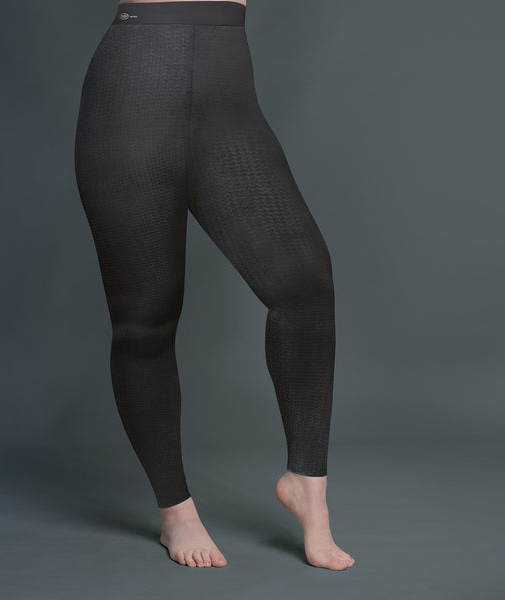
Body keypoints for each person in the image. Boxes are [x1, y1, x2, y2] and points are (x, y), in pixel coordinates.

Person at [74, 0, 354, 570]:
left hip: (227, 99)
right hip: (130, 91)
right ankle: (176, 511)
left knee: (304, 285)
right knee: (146, 317)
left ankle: (307, 484)